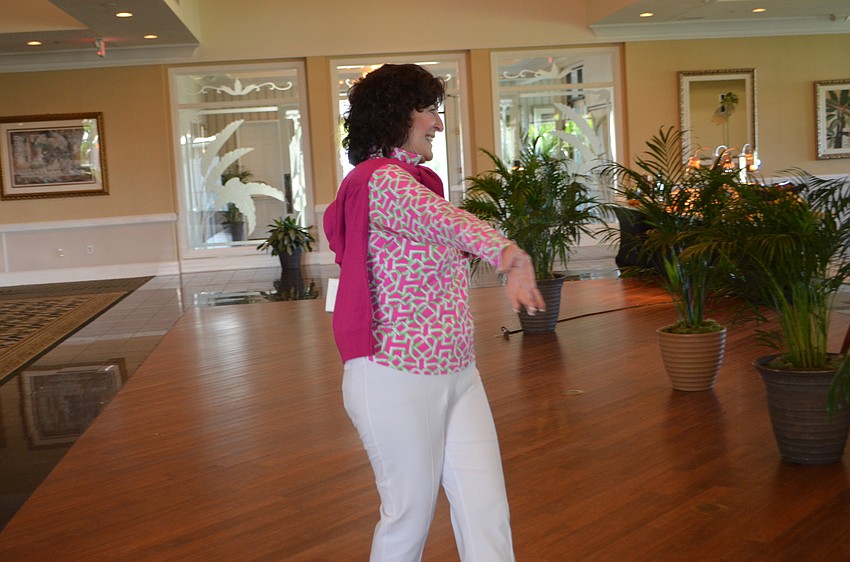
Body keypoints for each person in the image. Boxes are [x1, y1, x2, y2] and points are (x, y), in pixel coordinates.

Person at [323, 63, 544, 562]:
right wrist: (508, 253)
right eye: (428, 110)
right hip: (393, 376)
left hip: (459, 373)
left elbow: (440, 233)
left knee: (487, 513)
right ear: (396, 113)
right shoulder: (379, 182)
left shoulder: (415, 180)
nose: (438, 123)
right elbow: (447, 223)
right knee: (409, 518)